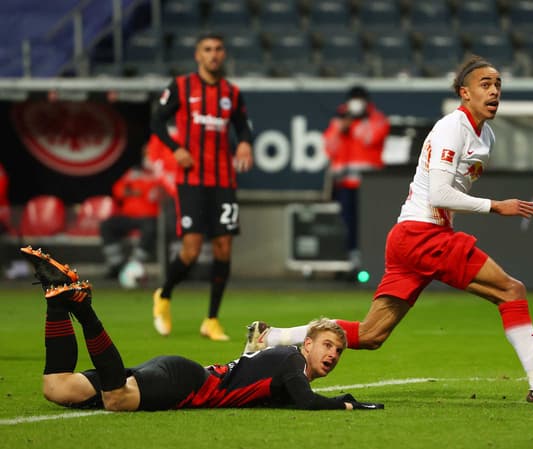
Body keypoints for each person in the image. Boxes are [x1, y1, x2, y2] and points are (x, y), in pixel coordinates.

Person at [243, 56, 533, 404]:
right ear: (464, 93)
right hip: (424, 236)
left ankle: (269, 337)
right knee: (511, 290)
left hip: (411, 238)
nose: (494, 91)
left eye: (498, 84)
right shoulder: (452, 129)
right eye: (485, 84)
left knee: (371, 334)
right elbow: (440, 193)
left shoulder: (484, 135)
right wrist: (495, 206)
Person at [19, 245, 383, 411]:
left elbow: (257, 370)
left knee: (58, 388)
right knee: (117, 399)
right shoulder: (293, 364)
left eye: (338, 350)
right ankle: (84, 311)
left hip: (173, 371)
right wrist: (345, 403)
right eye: (327, 345)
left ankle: (56, 301)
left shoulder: (282, 361)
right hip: (186, 384)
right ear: (307, 345)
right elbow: (305, 400)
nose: (333, 354)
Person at [149, 32, 254, 341]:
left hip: (223, 180)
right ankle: (164, 294)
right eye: (207, 49)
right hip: (192, 179)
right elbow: (156, 121)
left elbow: (242, 125)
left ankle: (211, 319)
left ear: (224, 54)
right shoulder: (181, 87)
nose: (213, 54)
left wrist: (245, 143)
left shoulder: (231, 93)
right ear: (198, 55)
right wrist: (174, 148)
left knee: (224, 247)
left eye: (219, 49)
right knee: (192, 249)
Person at [324, 86, 390, 277]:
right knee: (347, 225)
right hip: (344, 184)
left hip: (369, 185)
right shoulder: (339, 121)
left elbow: (371, 137)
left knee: (369, 225)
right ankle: (351, 263)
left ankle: (373, 262)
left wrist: (353, 123)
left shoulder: (377, 119)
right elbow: (329, 147)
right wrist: (341, 127)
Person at [100, 143, 166, 279]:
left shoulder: (162, 173)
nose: (148, 157)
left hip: (150, 216)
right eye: (146, 154)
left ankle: (134, 264)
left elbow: (159, 194)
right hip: (129, 215)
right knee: (107, 225)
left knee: (150, 227)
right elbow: (118, 189)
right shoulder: (134, 172)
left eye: (151, 153)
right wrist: (133, 191)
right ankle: (116, 265)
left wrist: (138, 191)